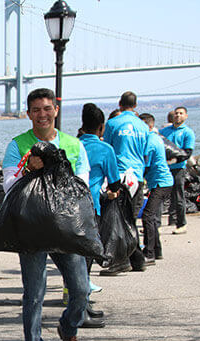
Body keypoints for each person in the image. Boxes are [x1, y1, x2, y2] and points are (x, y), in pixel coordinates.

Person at [1, 87, 91, 341]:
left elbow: (82, 185)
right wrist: (29, 168)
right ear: (29, 114)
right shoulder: (18, 145)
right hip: (32, 229)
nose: (42, 114)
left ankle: (69, 328)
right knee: (34, 293)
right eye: (36, 110)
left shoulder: (74, 145)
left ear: (56, 110)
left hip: (66, 229)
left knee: (81, 289)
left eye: (47, 108)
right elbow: (8, 186)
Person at [77, 103, 121, 323]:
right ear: (102, 128)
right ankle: (80, 310)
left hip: (70, 208)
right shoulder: (105, 150)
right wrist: (113, 192)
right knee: (85, 260)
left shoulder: (72, 145)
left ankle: (83, 304)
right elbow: (114, 182)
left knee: (79, 258)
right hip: (91, 206)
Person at [103, 91, 150, 272]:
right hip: (137, 175)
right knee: (131, 218)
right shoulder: (143, 127)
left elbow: (107, 149)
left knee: (118, 220)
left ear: (120, 104)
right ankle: (136, 259)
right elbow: (145, 152)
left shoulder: (113, 123)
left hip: (119, 175)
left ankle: (124, 260)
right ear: (135, 105)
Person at [139, 113, 174, 263]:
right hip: (162, 182)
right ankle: (157, 249)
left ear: (149, 126)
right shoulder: (155, 138)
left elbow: (145, 165)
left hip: (161, 182)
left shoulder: (150, 142)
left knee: (147, 216)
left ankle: (149, 252)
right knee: (151, 216)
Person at [160, 106, 195, 234]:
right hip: (163, 169)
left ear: (185, 116)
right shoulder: (164, 131)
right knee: (158, 196)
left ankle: (181, 224)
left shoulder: (188, 132)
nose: (178, 115)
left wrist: (173, 161)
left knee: (178, 197)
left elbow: (187, 153)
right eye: (176, 113)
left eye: (181, 113)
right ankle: (155, 224)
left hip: (178, 169)